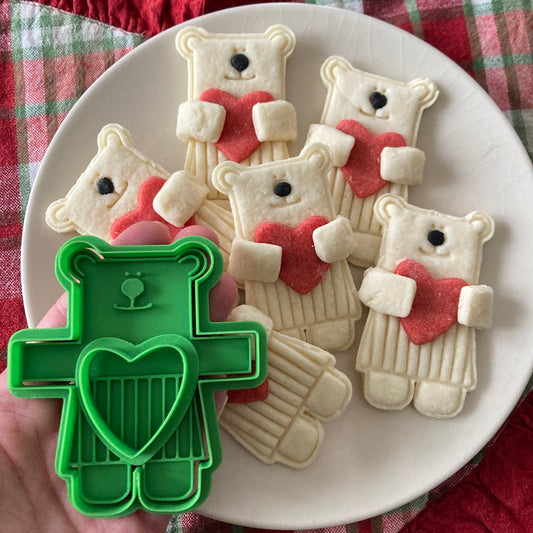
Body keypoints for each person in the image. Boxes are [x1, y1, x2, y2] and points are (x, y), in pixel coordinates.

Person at [0, 222, 238, 533]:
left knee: (177, 457)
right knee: (97, 464)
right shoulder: (91, 300)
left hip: (177, 424)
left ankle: (157, 478)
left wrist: (227, 351)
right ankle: (111, 481)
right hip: (95, 438)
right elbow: (30, 362)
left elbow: (235, 357)